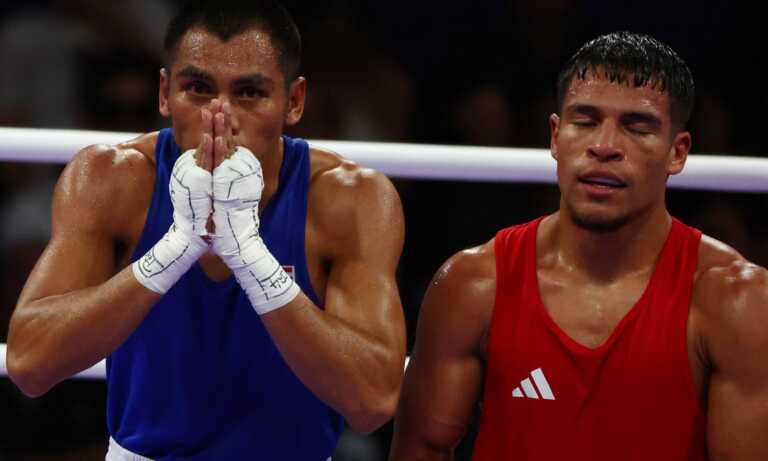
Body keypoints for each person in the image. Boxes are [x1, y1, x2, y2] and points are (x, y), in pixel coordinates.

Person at [6, 1, 406, 459]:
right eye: (197, 88)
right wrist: (175, 249)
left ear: (293, 102)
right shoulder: (113, 179)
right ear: (164, 93)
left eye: (249, 93)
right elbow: (29, 364)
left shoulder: (348, 198)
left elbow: (373, 401)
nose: (221, 115)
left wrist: (251, 257)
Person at [390, 31, 768, 460]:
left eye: (637, 127)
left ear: (677, 152)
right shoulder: (474, 284)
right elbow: (421, 450)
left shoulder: (735, 301)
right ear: (555, 136)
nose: (604, 147)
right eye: (585, 121)